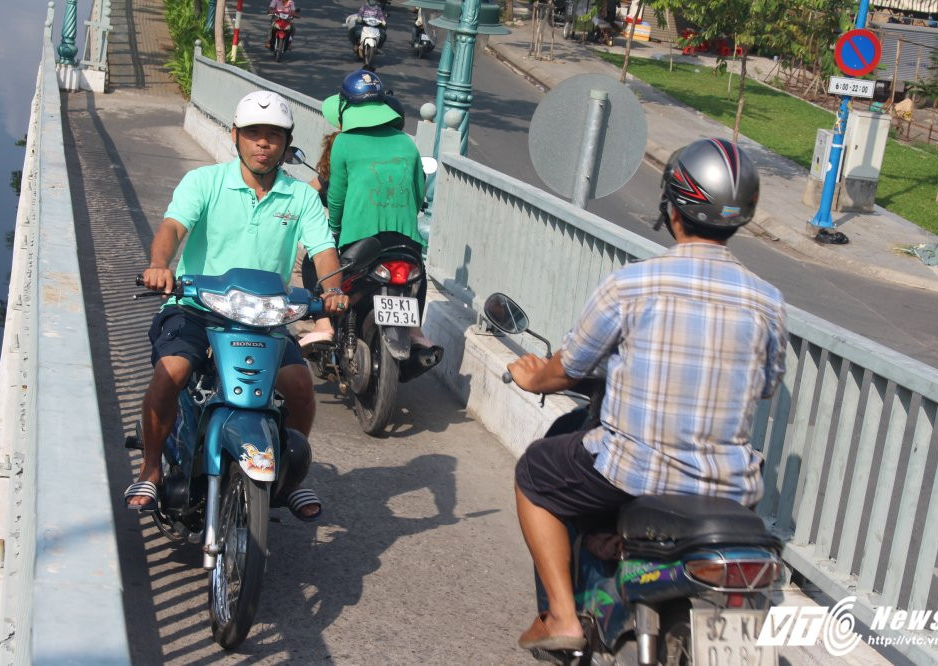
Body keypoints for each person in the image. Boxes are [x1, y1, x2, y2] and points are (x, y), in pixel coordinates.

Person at [507, 138, 788, 651]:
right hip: (729, 486)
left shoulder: (632, 285)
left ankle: (564, 619)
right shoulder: (767, 301)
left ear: (673, 210)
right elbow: (766, 385)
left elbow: (569, 368)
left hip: (634, 471)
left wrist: (532, 377)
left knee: (535, 473)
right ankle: (609, 550)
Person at [123, 91, 350, 521]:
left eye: (273, 136)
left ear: (286, 142)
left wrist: (333, 290)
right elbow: (173, 227)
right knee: (171, 373)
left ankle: (292, 477)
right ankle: (151, 468)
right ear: (235, 136)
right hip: (196, 307)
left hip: (264, 318)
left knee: (300, 390)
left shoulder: (300, 198)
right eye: (253, 135)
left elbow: (323, 250)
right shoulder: (205, 182)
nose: (263, 144)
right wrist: (159, 265)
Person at [299, 70, 439, 364]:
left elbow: (336, 197)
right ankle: (413, 329)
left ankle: (324, 324)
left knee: (315, 258)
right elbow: (417, 193)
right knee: (418, 272)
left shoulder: (344, 143)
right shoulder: (406, 143)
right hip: (404, 241)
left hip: (360, 242)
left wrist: (334, 232)